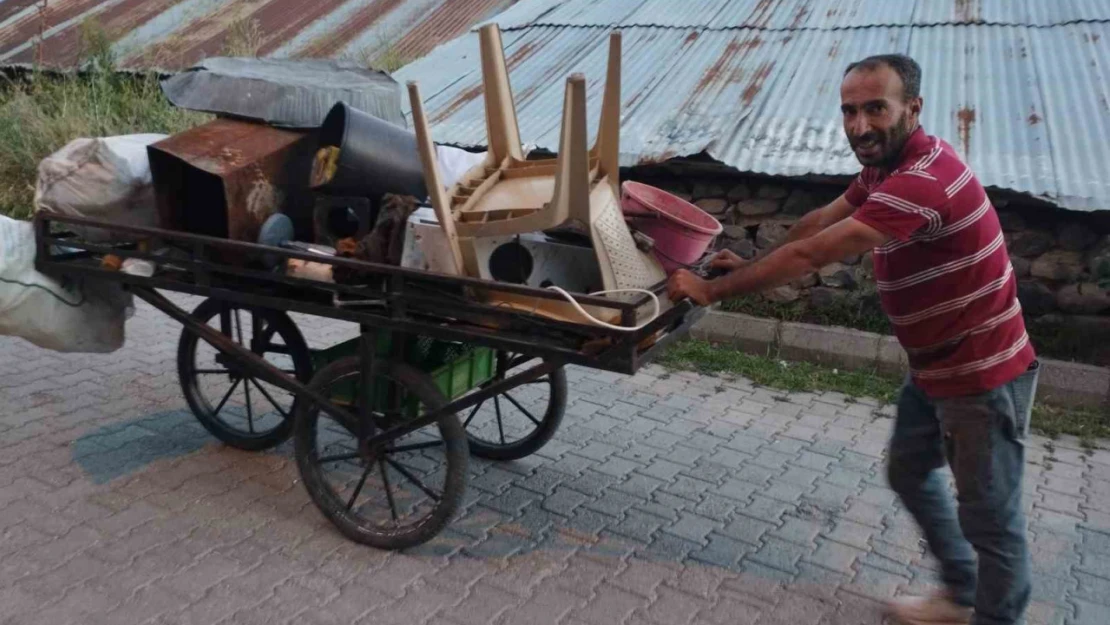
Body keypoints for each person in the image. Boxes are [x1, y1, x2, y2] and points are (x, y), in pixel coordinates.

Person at [667, 53, 1039, 625]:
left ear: (913, 108)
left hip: (981, 375)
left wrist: (716, 292)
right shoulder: (885, 167)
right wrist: (751, 261)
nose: (859, 126)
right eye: (849, 111)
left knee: (992, 521)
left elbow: (816, 253)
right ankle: (962, 592)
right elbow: (817, 224)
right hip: (934, 368)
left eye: (875, 109)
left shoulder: (924, 180)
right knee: (909, 471)